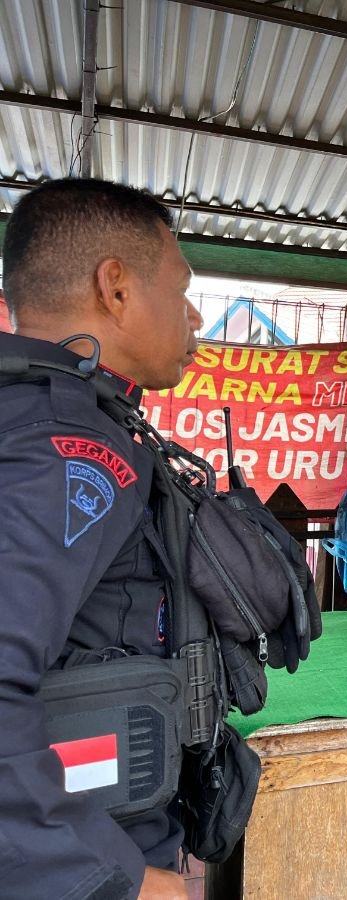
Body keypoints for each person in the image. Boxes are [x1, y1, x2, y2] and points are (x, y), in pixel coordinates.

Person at [0, 179, 203, 897]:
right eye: (181, 289)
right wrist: (118, 878)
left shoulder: (29, 414)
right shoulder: (68, 450)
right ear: (114, 288)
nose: (195, 315)